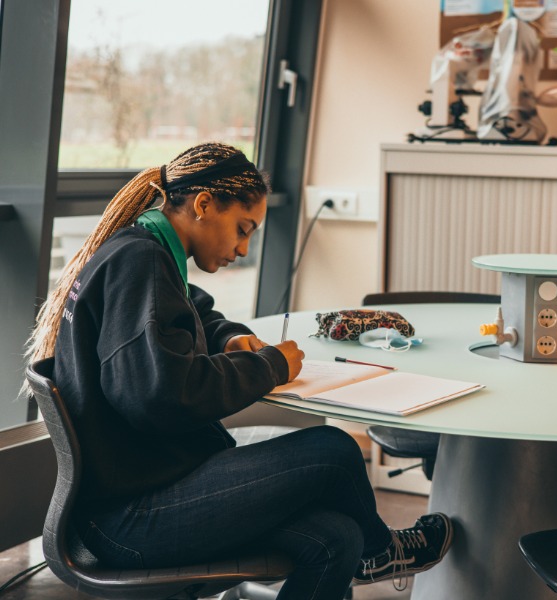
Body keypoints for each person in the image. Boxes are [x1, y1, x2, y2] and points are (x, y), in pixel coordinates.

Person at [26, 142, 453, 599]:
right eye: (242, 229)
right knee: (334, 451)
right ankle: (383, 551)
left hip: (144, 484)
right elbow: (161, 397)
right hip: (131, 517)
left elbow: (190, 311)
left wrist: (228, 338)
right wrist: (269, 366)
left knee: (337, 539)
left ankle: (369, 549)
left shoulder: (144, 251)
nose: (244, 248)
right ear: (204, 204)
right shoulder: (142, 262)